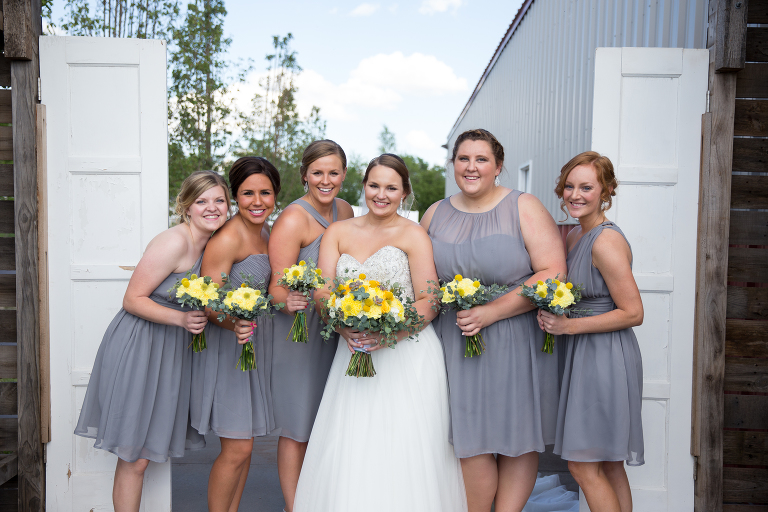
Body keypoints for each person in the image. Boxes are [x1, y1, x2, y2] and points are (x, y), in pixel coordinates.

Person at [293, 154, 467, 512]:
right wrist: (342, 326)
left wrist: (390, 335)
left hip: (408, 354)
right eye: (374, 185)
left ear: (405, 193)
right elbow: (323, 292)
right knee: (353, 443)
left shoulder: (413, 234)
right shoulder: (338, 233)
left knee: (403, 446)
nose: (381, 194)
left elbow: (429, 301)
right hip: (353, 348)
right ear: (364, 187)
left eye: (391, 187)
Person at [421, 129, 566, 512]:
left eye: (481, 159)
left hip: (512, 336)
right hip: (454, 338)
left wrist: (491, 312)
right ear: (453, 164)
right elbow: (417, 277)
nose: (471, 167)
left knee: (517, 435)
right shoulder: (435, 213)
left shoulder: (524, 206)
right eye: (463, 159)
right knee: (469, 436)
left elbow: (552, 271)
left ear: (498, 166)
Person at [74, 171, 230, 512]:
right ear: (187, 207)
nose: (212, 208)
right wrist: (181, 318)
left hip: (170, 351)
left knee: (143, 454)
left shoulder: (215, 244)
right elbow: (132, 298)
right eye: (202, 201)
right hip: (140, 345)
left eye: (219, 200)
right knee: (135, 455)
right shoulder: (175, 241)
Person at [538, 151, 644, 512]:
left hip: (604, 358)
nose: (575, 195)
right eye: (569, 186)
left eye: (586, 187)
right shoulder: (574, 238)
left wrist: (568, 326)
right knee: (609, 463)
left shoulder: (605, 241)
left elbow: (633, 312)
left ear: (607, 191)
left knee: (583, 466)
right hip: (584, 355)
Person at [188, 157, 280, 512]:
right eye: (247, 193)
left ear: (275, 195)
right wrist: (234, 323)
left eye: (265, 193)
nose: (257, 201)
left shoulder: (267, 232)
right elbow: (208, 302)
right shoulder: (227, 239)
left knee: (246, 447)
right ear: (235, 196)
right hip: (229, 350)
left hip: (251, 349)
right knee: (237, 448)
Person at [268, 140, 354, 512]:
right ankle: (294, 506)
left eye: (333, 172)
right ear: (304, 175)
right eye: (317, 172)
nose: (325, 180)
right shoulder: (293, 219)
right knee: (299, 425)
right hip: (300, 332)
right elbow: (275, 286)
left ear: (344, 175)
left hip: (342, 330)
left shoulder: (347, 210)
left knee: (332, 420)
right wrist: (288, 301)